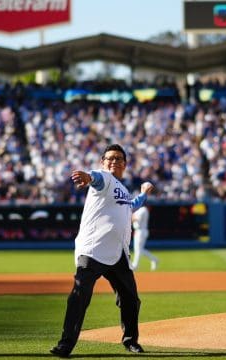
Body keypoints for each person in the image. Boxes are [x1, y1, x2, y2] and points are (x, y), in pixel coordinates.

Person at [50, 144, 154, 358]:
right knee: (79, 296)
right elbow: (95, 178)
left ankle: (130, 340)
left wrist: (143, 193)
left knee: (131, 299)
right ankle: (65, 344)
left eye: (118, 158)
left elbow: (130, 204)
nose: (113, 161)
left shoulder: (122, 190)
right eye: (109, 158)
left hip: (118, 254)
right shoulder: (105, 179)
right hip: (93, 250)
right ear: (103, 163)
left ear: (125, 164)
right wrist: (87, 177)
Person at [131, 205, 159, 271]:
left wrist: (129, 216)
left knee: (138, 250)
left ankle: (135, 265)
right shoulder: (138, 210)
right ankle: (154, 259)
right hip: (138, 231)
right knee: (139, 250)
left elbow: (137, 220)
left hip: (141, 231)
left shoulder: (143, 209)